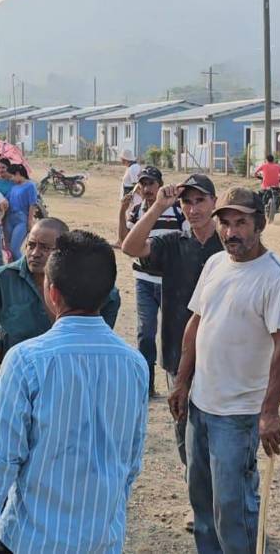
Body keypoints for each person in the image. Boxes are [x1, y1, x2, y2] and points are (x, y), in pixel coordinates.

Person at [0, 230, 148, 554]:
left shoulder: (26, 360)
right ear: (106, 295)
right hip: (102, 540)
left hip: (32, 541)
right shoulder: (134, 364)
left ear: (52, 293)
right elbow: (130, 461)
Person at [169, 187, 280, 553]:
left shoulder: (275, 276)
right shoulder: (215, 264)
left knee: (233, 508)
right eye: (225, 223)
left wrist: (270, 411)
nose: (231, 232)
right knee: (202, 503)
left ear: (261, 223)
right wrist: (181, 382)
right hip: (200, 407)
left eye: (240, 222)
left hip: (238, 415)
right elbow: (196, 323)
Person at [121, 173, 223, 464]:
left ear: (214, 202)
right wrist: (157, 207)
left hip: (221, 356)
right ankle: (198, 500)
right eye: (187, 202)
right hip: (177, 354)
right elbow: (130, 247)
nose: (194, 209)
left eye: (200, 200)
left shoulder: (228, 245)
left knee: (218, 436)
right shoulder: (173, 243)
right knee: (185, 436)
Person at [0, 218, 120, 372]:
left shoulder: (78, 279)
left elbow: (111, 297)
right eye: (31, 245)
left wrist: (95, 342)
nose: (35, 253)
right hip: (20, 371)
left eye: (45, 248)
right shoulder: (3, 278)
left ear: (63, 252)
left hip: (69, 370)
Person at [117, 166, 185, 397]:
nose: (147, 189)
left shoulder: (177, 211)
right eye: (143, 184)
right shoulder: (137, 212)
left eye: (151, 184)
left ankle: (176, 382)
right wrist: (122, 210)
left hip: (170, 282)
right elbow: (124, 241)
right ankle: (147, 384)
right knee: (145, 333)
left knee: (172, 333)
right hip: (144, 280)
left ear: (160, 186)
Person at [2, 164, 38, 260]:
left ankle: (24, 269)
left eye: (11, 177)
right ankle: (12, 270)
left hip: (21, 219)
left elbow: (32, 204)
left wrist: (30, 222)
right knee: (8, 249)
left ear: (18, 173)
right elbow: (6, 199)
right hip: (9, 218)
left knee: (14, 249)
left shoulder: (30, 185)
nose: (11, 179)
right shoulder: (14, 186)